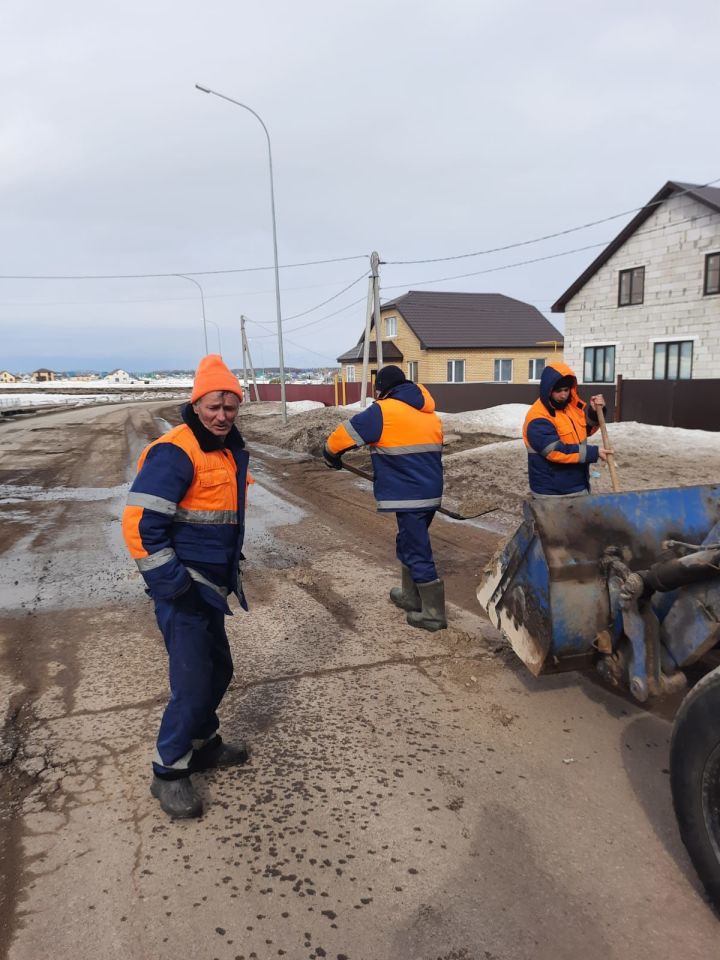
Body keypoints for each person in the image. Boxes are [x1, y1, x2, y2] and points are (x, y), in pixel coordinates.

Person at [122, 354, 251, 819]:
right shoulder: (175, 450)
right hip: (184, 588)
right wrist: (172, 583)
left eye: (230, 407)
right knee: (194, 681)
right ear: (196, 404)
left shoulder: (228, 449)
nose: (221, 415)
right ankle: (169, 771)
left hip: (211, 587)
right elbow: (139, 524)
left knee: (218, 671)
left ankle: (203, 744)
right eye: (213, 406)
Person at [322, 364, 446, 631]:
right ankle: (410, 596)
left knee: (416, 548)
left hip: (408, 494)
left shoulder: (384, 410)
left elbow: (344, 435)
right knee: (409, 540)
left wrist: (330, 453)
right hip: (430, 491)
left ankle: (433, 614)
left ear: (383, 390)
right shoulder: (428, 413)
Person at [523, 361, 612, 497]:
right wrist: (593, 452)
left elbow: (585, 430)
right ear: (548, 390)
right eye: (558, 391)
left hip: (577, 484)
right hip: (553, 491)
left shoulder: (570, 408)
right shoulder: (538, 417)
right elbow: (555, 451)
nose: (563, 395)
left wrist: (595, 412)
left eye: (566, 390)